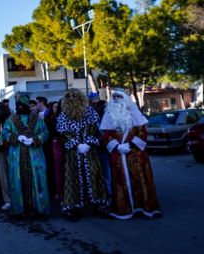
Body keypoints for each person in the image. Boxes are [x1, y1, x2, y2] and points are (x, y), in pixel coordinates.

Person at [101, 90, 161, 220]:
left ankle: (145, 207)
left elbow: (142, 133)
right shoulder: (108, 115)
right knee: (120, 181)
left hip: (136, 155)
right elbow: (106, 135)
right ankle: (125, 208)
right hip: (118, 156)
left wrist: (131, 145)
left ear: (126, 99)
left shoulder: (136, 113)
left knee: (141, 179)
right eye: (114, 97)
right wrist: (117, 146)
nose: (116, 99)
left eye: (119, 96)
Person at [56, 88, 109, 221]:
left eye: (75, 97)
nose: (73, 100)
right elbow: (62, 135)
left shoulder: (90, 112)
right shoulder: (63, 115)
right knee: (73, 178)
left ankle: (99, 205)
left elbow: (97, 131)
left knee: (95, 175)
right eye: (70, 97)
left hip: (90, 151)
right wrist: (76, 144)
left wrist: (89, 142)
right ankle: (73, 208)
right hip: (73, 153)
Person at [1, 101, 50, 216]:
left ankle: (39, 208)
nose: (20, 107)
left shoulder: (38, 119)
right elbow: (4, 133)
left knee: (38, 180)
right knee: (17, 180)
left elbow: (45, 133)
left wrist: (35, 139)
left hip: (35, 157)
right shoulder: (10, 120)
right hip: (17, 157)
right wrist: (17, 137)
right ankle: (19, 208)